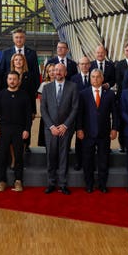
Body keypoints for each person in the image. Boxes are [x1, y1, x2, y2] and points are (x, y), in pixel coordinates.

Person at [76, 69, 118, 193]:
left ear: (102, 78)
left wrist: (115, 128)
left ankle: (102, 184)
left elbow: (115, 113)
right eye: (93, 77)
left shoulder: (110, 94)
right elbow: (79, 114)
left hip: (104, 133)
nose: (95, 79)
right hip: (87, 133)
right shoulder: (83, 94)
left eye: (98, 77)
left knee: (103, 160)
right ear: (90, 79)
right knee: (87, 160)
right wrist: (79, 129)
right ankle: (89, 184)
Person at [40, 62, 79, 195]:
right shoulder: (46, 88)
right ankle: (51, 183)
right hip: (50, 129)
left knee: (63, 157)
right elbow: (43, 109)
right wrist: (51, 126)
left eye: (60, 70)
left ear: (65, 73)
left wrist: (65, 125)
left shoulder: (73, 87)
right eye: (56, 70)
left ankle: (62, 184)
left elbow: (75, 108)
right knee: (51, 156)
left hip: (65, 129)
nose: (57, 72)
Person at [0, 71, 33, 192]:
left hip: (19, 130)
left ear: (18, 81)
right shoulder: (1, 95)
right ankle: (1, 181)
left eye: (14, 79)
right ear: (7, 80)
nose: (12, 81)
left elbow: (28, 116)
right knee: (2, 156)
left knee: (19, 157)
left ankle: (18, 181)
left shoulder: (24, 95)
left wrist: (27, 129)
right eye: (10, 79)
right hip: (4, 129)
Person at [10, 52, 37, 153]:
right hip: (12, 109)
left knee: (26, 130)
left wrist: (33, 111)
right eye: (16, 60)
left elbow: (32, 94)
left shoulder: (29, 75)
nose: (18, 62)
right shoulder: (9, 75)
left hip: (26, 108)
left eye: (20, 60)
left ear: (24, 62)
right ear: (13, 62)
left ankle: (23, 153)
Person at [0, 28, 40, 96]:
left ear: (24, 38)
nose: (19, 39)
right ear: (13, 39)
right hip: (10, 89)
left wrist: (36, 89)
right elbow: (2, 71)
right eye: (16, 37)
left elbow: (35, 72)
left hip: (28, 89)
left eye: (21, 37)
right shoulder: (6, 53)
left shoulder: (32, 53)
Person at [70, 56, 92, 171]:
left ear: (89, 65)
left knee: (91, 138)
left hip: (92, 113)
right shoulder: (74, 79)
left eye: (86, 64)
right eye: (82, 64)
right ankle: (78, 162)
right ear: (78, 66)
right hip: (78, 113)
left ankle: (89, 162)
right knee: (79, 138)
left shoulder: (94, 78)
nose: (84, 66)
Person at [115, 42, 128, 153]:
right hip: (123, 97)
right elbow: (119, 81)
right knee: (122, 121)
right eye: (127, 50)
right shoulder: (119, 65)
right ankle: (122, 145)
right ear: (124, 51)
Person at [37, 63, 56, 148]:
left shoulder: (63, 83)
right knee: (47, 140)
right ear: (47, 73)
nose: (52, 73)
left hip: (59, 115)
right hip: (48, 115)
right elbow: (42, 101)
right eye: (49, 71)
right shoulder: (44, 84)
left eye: (53, 70)